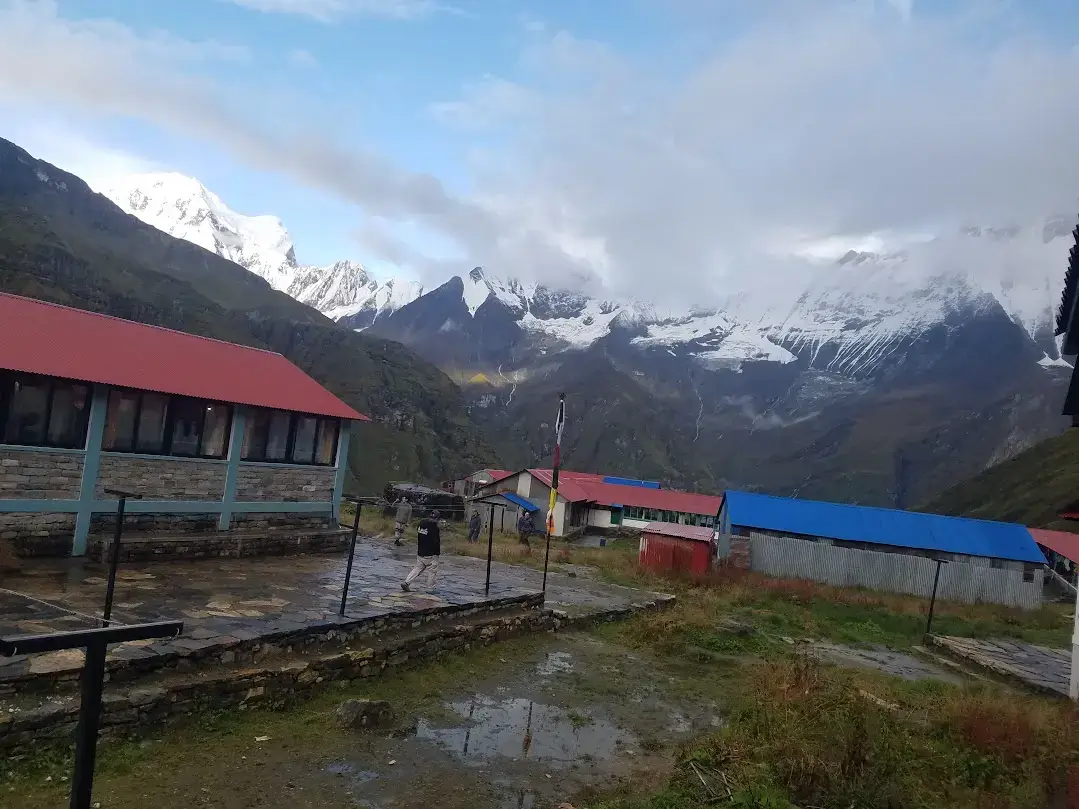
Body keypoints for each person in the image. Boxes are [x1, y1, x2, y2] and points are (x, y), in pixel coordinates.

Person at [402, 509, 441, 591]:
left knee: (417, 568)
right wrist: (437, 553)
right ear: (437, 519)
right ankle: (430, 589)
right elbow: (436, 541)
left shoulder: (421, 523)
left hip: (420, 551)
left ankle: (406, 582)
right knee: (432, 571)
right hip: (430, 554)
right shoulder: (434, 527)